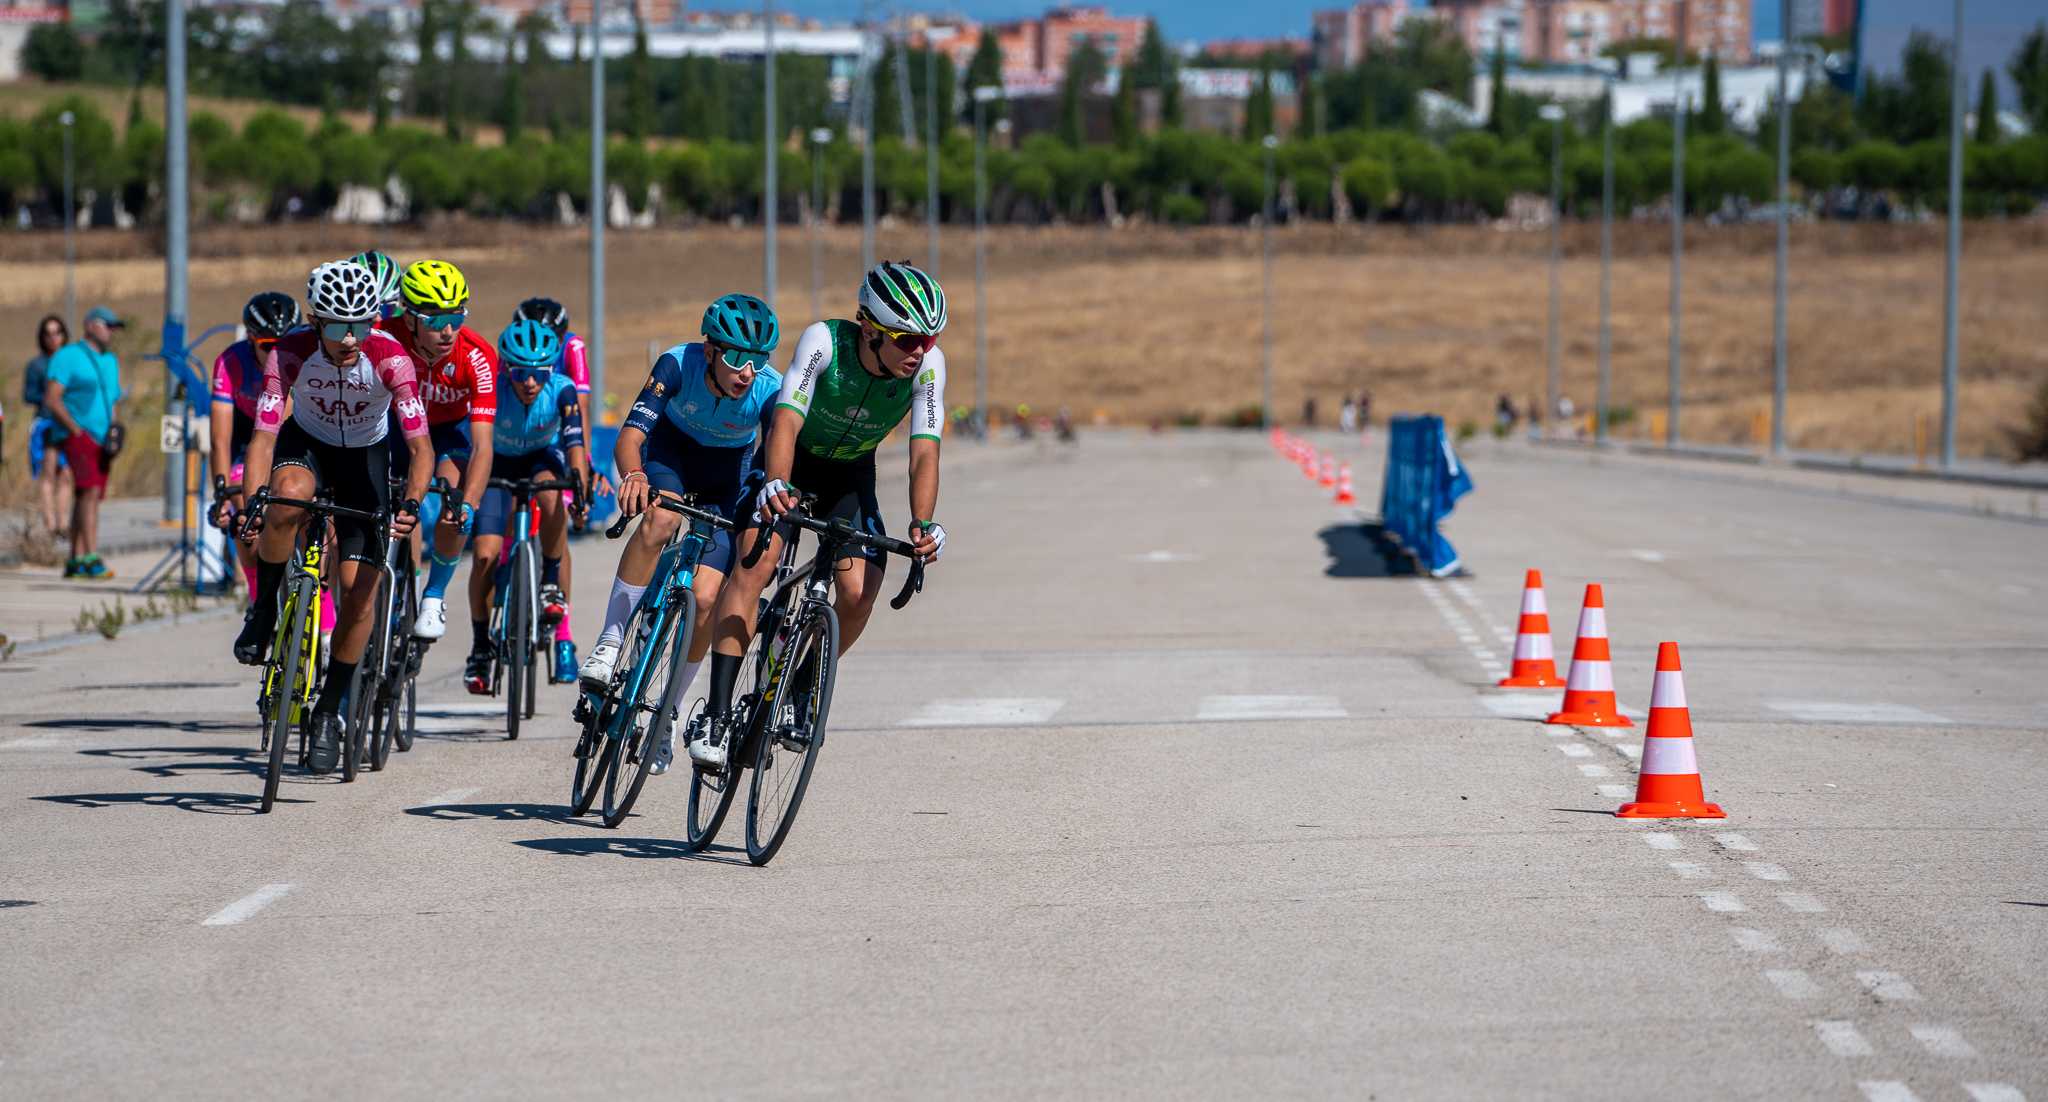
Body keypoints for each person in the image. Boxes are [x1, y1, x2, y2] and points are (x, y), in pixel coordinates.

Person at [694, 262, 948, 770]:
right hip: (791, 460)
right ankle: (716, 716)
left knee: (858, 592)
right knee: (756, 563)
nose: (920, 350)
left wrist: (923, 524)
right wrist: (775, 485)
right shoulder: (824, 342)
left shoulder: (929, 365)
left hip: (850, 474)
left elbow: (925, 450)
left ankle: (799, 689)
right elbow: (786, 418)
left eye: (929, 338)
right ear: (872, 331)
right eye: (908, 339)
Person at [229, 260, 432, 774]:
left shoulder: (391, 359)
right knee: (287, 497)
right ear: (316, 322)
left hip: (366, 460)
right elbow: (265, 436)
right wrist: (255, 500)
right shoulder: (290, 353)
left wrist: (410, 502)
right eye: (339, 327)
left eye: (361, 326)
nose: (350, 339)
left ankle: (328, 713)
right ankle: (265, 613)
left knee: (359, 590)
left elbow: (420, 447)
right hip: (310, 445)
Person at [577, 293, 782, 775]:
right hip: (672, 458)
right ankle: (610, 641)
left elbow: (778, 454)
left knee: (709, 598)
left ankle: (668, 709)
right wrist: (635, 476)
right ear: (709, 350)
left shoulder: (768, 389)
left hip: (729, 476)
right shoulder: (676, 363)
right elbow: (631, 438)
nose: (746, 371)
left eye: (757, 360)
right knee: (662, 519)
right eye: (735, 357)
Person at [462, 320, 596, 693]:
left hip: (540, 458)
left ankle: (550, 581)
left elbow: (574, 447)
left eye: (539, 373)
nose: (530, 382)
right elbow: (478, 446)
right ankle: (480, 647)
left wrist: (580, 490)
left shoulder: (563, 390)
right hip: (496, 463)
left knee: (552, 493)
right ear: (507, 368)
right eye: (520, 372)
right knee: (485, 557)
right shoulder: (493, 388)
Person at [383, 260, 498, 644]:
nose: (447, 330)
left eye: (456, 317)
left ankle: (433, 595)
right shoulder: (385, 339)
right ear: (410, 318)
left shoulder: (477, 355)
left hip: (449, 434)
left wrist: (470, 503)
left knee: (453, 509)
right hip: (396, 430)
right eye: (434, 321)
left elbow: (482, 444)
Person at [211, 292, 334, 637]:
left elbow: (294, 420)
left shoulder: (304, 355)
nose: (276, 351)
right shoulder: (231, 362)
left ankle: (323, 612)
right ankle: (259, 606)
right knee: (244, 521)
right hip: (247, 443)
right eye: (267, 344)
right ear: (250, 339)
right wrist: (224, 493)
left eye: (284, 341)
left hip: (298, 441)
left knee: (318, 519)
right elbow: (220, 440)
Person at [512, 296, 592, 670]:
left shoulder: (572, 348)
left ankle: (563, 634)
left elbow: (582, 411)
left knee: (555, 516)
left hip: (558, 436)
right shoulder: (513, 355)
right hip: (516, 437)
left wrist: (584, 470)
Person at [42, 307, 126, 580]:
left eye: (114, 327)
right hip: (80, 435)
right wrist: (75, 430)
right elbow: (52, 398)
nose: (111, 331)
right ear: (90, 326)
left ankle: (75, 559)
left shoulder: (111, 361)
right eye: (107, 325)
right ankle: (91, 556)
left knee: (88, 496)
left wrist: (115, 431)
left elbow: (113, 400)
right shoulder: (68, 356)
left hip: (103, 439)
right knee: (88, 493)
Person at [24, 315, 73, 538]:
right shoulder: (37, 365)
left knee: (66, 473)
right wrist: (48, 397)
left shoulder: (70, 361)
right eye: (48, 334)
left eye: (57, 333)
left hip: (66, 423)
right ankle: (50, 523)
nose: (53, 338)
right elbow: (29, 394)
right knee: (48, 473)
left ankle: (63, 523)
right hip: (45, 423)